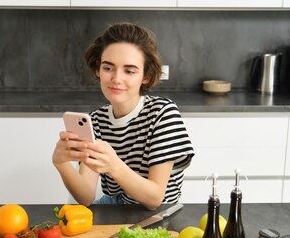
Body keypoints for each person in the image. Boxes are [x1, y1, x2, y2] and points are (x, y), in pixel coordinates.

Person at [52, 22, 194, 210]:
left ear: (146, 76)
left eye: (129, 71)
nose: (116, 79)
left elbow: (154, 199)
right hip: (115, 208)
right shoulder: (96, 120)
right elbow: (86, 197)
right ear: (97, 69)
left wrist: (114, 166)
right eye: (108, 68)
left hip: (158, 213)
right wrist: (61, 164)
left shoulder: (163, 113)